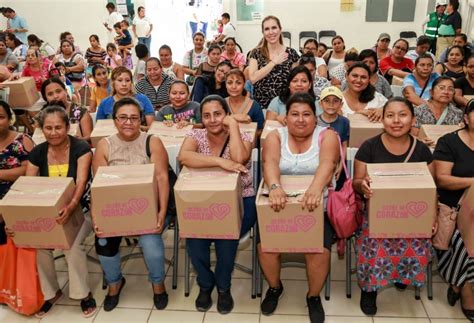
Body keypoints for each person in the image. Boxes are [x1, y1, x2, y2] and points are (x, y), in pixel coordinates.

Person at [259, 92, 339, 323]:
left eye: (306, 114)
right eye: (294, 114)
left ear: (316, 118)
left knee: (318, 251)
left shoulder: (328, 136)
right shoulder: (275, 136)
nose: (301, 119)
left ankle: (313, 296)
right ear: (286, 117)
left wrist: (315, 189)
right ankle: (275, 287)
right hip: (278, 204)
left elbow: (327, 163)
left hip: (316, 207)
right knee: (266, 248)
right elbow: (270, 163)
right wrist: (274, 186)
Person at [352, 97, 434, 316]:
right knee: (372, 241)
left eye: (403, 115)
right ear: (383, 120)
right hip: (377, 213)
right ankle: (369, 289)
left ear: (413, 119)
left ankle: (402, 275)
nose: (396, 121)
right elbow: (356, 182)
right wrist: (364, 185)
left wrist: (432, 218)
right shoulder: (369, 147)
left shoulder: (422, 151)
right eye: (390, 115)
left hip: (413, 214)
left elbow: (431, 188)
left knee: (417, 240)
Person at [178, 95, 257, 314]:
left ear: (226, 114)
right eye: (206, 115)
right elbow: (184, 157)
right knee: (194, 238)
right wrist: (220, 161)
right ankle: (205, 284)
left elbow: (240, 158)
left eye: (218, 114)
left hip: (241, 199)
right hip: (202, 198)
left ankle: (223, 287)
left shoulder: (245, 134)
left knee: (226, 238)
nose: (212, 120)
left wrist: (233, 126)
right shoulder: (196, 134)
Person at [93, 97, 170, 312]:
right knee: (103, 242)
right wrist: (98, 218)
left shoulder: (152, 141)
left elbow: (162, 179)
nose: (128, 122)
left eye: (134, 118)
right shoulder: (104, 145)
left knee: (151, 244)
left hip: (148, 207)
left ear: (140, 121)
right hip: (115, 209)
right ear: (114, 120)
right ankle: (115, 282)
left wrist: (162, 213)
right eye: (123, 118)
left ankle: (157, 283)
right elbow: (98, 187)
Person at [25, 105, 97, 318]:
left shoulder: (80, 148)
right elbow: (28, 186)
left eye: (58, 127)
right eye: (48, 128)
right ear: (41, 129)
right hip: (49, 213)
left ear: (68, 127)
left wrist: (71, 206)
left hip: (81, 210)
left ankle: (83, 294)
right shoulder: (37, 152)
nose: (53, 132)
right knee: (39, 245)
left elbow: (81, 182)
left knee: (71, 244)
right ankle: (51, 292)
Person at [433, 100, 474, 322]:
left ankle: (456, 284)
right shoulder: (449, 142)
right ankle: (467, 290)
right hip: (453, 208)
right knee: (466, 242)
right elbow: (443, 180)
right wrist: (473, 183)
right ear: (466, 119)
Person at [0, 100, 34, 247]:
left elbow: (30, 171)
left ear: (10, 119)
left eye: (0, 117)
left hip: (17, 200)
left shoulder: (22, 140)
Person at [248, 15, 300, 109]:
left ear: (280, 29)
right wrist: (274, 62)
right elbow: (253, 78)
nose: (271, 32)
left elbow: (296, 81)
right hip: (261, 107)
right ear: (263, 32)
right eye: (267, 29)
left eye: (274, 28)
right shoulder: (255, 53)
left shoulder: (291, 53)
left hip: (285, 106)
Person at [412, 76, 464, 141]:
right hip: (423, 148)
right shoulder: (418, 111)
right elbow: (413, 136)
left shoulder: (458, 113)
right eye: (442, 88)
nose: (446, 92)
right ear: (431, 92)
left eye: (450, 89)